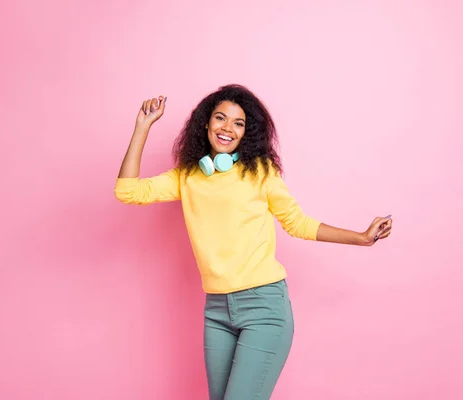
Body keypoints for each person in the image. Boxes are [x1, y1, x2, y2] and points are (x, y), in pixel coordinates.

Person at [114, 84, 393, 399]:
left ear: (247, 133)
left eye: (238, 123)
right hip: (216, 310)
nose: (227, 129)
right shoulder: (188, 177)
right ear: (205, 123)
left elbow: (298, 223)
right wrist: (142, 127)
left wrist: (361, 238)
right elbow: (127, 191)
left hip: (263, 307)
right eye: (220, 118)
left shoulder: (261, 172)